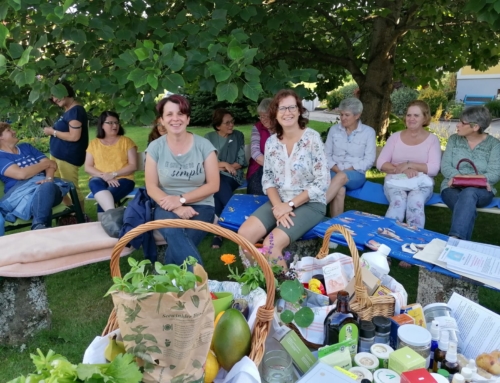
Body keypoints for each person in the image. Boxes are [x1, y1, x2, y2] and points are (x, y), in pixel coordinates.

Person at [238, 89, 329, 269]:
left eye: (291, 107)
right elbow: (268, 179)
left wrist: (289, 205)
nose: (287, 112)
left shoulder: (312, 139)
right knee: (244, 235)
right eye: (282, 108)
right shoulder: (272, 143)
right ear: (275, 114)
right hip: (278, 201)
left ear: (299, 110)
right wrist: (279, 205)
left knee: (271, 244)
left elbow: (321, 182)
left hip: (310, 203)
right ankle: (262, 282)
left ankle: (283, 294)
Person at [145, 95, 219, 266]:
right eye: (169, 114)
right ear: (162, 120)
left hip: (202, 204)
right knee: (173, 230)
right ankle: (200, 283)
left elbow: (214, 185)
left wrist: (181, 199)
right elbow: (151, 186)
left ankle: (165, 277)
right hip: (165, 203)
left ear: (188, 118)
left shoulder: (204, 146)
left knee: (185, 237)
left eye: (180, 114)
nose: (175, 119)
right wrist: (177, 206)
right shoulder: (155, 147)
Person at [377, 100, 441, 229]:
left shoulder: (432, 140)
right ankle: (388, 237)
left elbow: (434, 169)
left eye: (416, 115)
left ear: (425, 118)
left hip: (421, 183)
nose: (411, 119)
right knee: (398, 201)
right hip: (395, 181)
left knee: (415, 200)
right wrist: (403, 170)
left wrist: (410, 165)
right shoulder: (395, 137)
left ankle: (413, 240)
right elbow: (381, 163)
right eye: (408, 115)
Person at [441, 106, 500, 240]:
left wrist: (462, 178)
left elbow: (495, 173)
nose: (457, 125)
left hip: (481, 191)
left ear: (475, 127)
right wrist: (477, 178)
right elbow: (445, 167)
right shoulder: (454, 140)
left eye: (462, 122)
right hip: (451, 188)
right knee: (467, 207)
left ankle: (454, 239)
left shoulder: (494, 145)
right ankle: (459, 243)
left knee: (469, 193)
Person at [0, 122, 68, 233]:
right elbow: (21, 175)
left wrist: (49, 179)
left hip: (47, 189)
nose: (14, 131)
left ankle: (38, 228)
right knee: (44, 201)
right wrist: (45, 165)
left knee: (47, 187)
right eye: (9, 130)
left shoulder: (26, 147)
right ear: (0, 137)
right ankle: (40, 226)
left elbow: (52, 164)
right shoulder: (1, 157)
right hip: (22, 195)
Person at [325, 98, 376, 217]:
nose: (343, 118)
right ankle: (335, 229)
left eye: (347, 115)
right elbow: (326, 155)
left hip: (356, 175)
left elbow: (369, 160)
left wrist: (346, 171)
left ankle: (317, 208)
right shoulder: (334, 130)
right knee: (340, 190)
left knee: (342, 177)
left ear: (357, 115)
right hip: (334, 171)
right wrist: (338, 170)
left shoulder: (368, 132)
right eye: (341, 114)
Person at [204, 109, 247, 248]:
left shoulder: (238, 135)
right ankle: (237, 222)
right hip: (214, 175)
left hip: (233, 175)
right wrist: (224, 165)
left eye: (232, 121)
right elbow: (205, 163)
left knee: (217, 185)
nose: (231, 125)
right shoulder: (208, 137)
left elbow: (240, 162)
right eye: (227, 123)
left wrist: (220, 167)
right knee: (217, 185)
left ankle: (219, 232)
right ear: (218, 126)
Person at [43, 81, 88, 209]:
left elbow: (74, 136)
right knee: (57, 186)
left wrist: (52, 132)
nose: (54, 99)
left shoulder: (76, 111)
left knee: (70, 187)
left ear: (65, 90)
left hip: (68, 156)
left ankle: (80, 216)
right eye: (52, 97)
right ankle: (71, 213)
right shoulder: (68, 111)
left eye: (55, 94)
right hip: (57, 155)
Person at [84, 111, 137, 220]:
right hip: (100, 178)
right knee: (94, 183)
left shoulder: (126, 142)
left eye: (116, 123)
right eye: (110, 123)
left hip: (123, 179)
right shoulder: (94, 144)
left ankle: (105, 226)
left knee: (103, 199)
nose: (114, 125)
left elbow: (133, 166)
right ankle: (114, 219)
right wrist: (105, 176)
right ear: (102, 125)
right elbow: (88, 167)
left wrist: (113, 174)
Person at [247, 98, 273, 195]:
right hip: (260, 165)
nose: (264, 120)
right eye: (261, 117)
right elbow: (255, 152)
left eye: (267, 116)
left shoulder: (283, 128)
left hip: (282, 166)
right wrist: (272, 166)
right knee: (257, 189)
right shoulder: (257, 127)